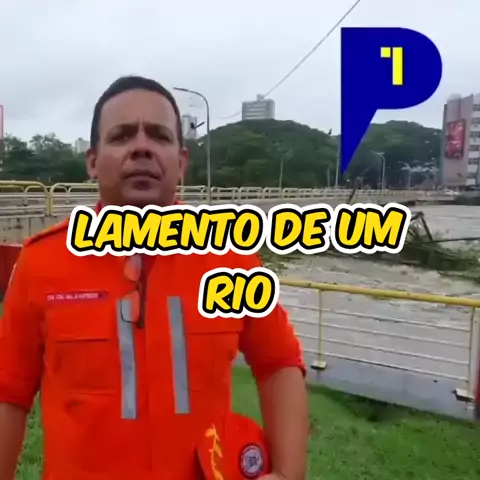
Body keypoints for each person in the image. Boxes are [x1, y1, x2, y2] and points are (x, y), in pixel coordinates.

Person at [0, 76, 308, 480]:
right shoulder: (42, 262)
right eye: (122, 135)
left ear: (180, 163)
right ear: (92, 161)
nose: (141, 147)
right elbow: (9, 393)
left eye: (159, 136)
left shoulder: (230, 259)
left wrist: (288, 472)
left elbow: (279, 362)